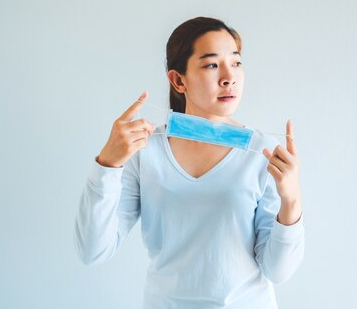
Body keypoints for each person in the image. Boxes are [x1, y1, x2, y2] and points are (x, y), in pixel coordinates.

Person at [74, 17, 305, 309]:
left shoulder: (265, 153)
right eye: (211, 64)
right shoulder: (146, 151)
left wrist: (291, 199)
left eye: (235, 62)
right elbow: (92, 251)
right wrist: (107, 165)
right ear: (178, 80)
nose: (229, 77)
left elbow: (278, 271)